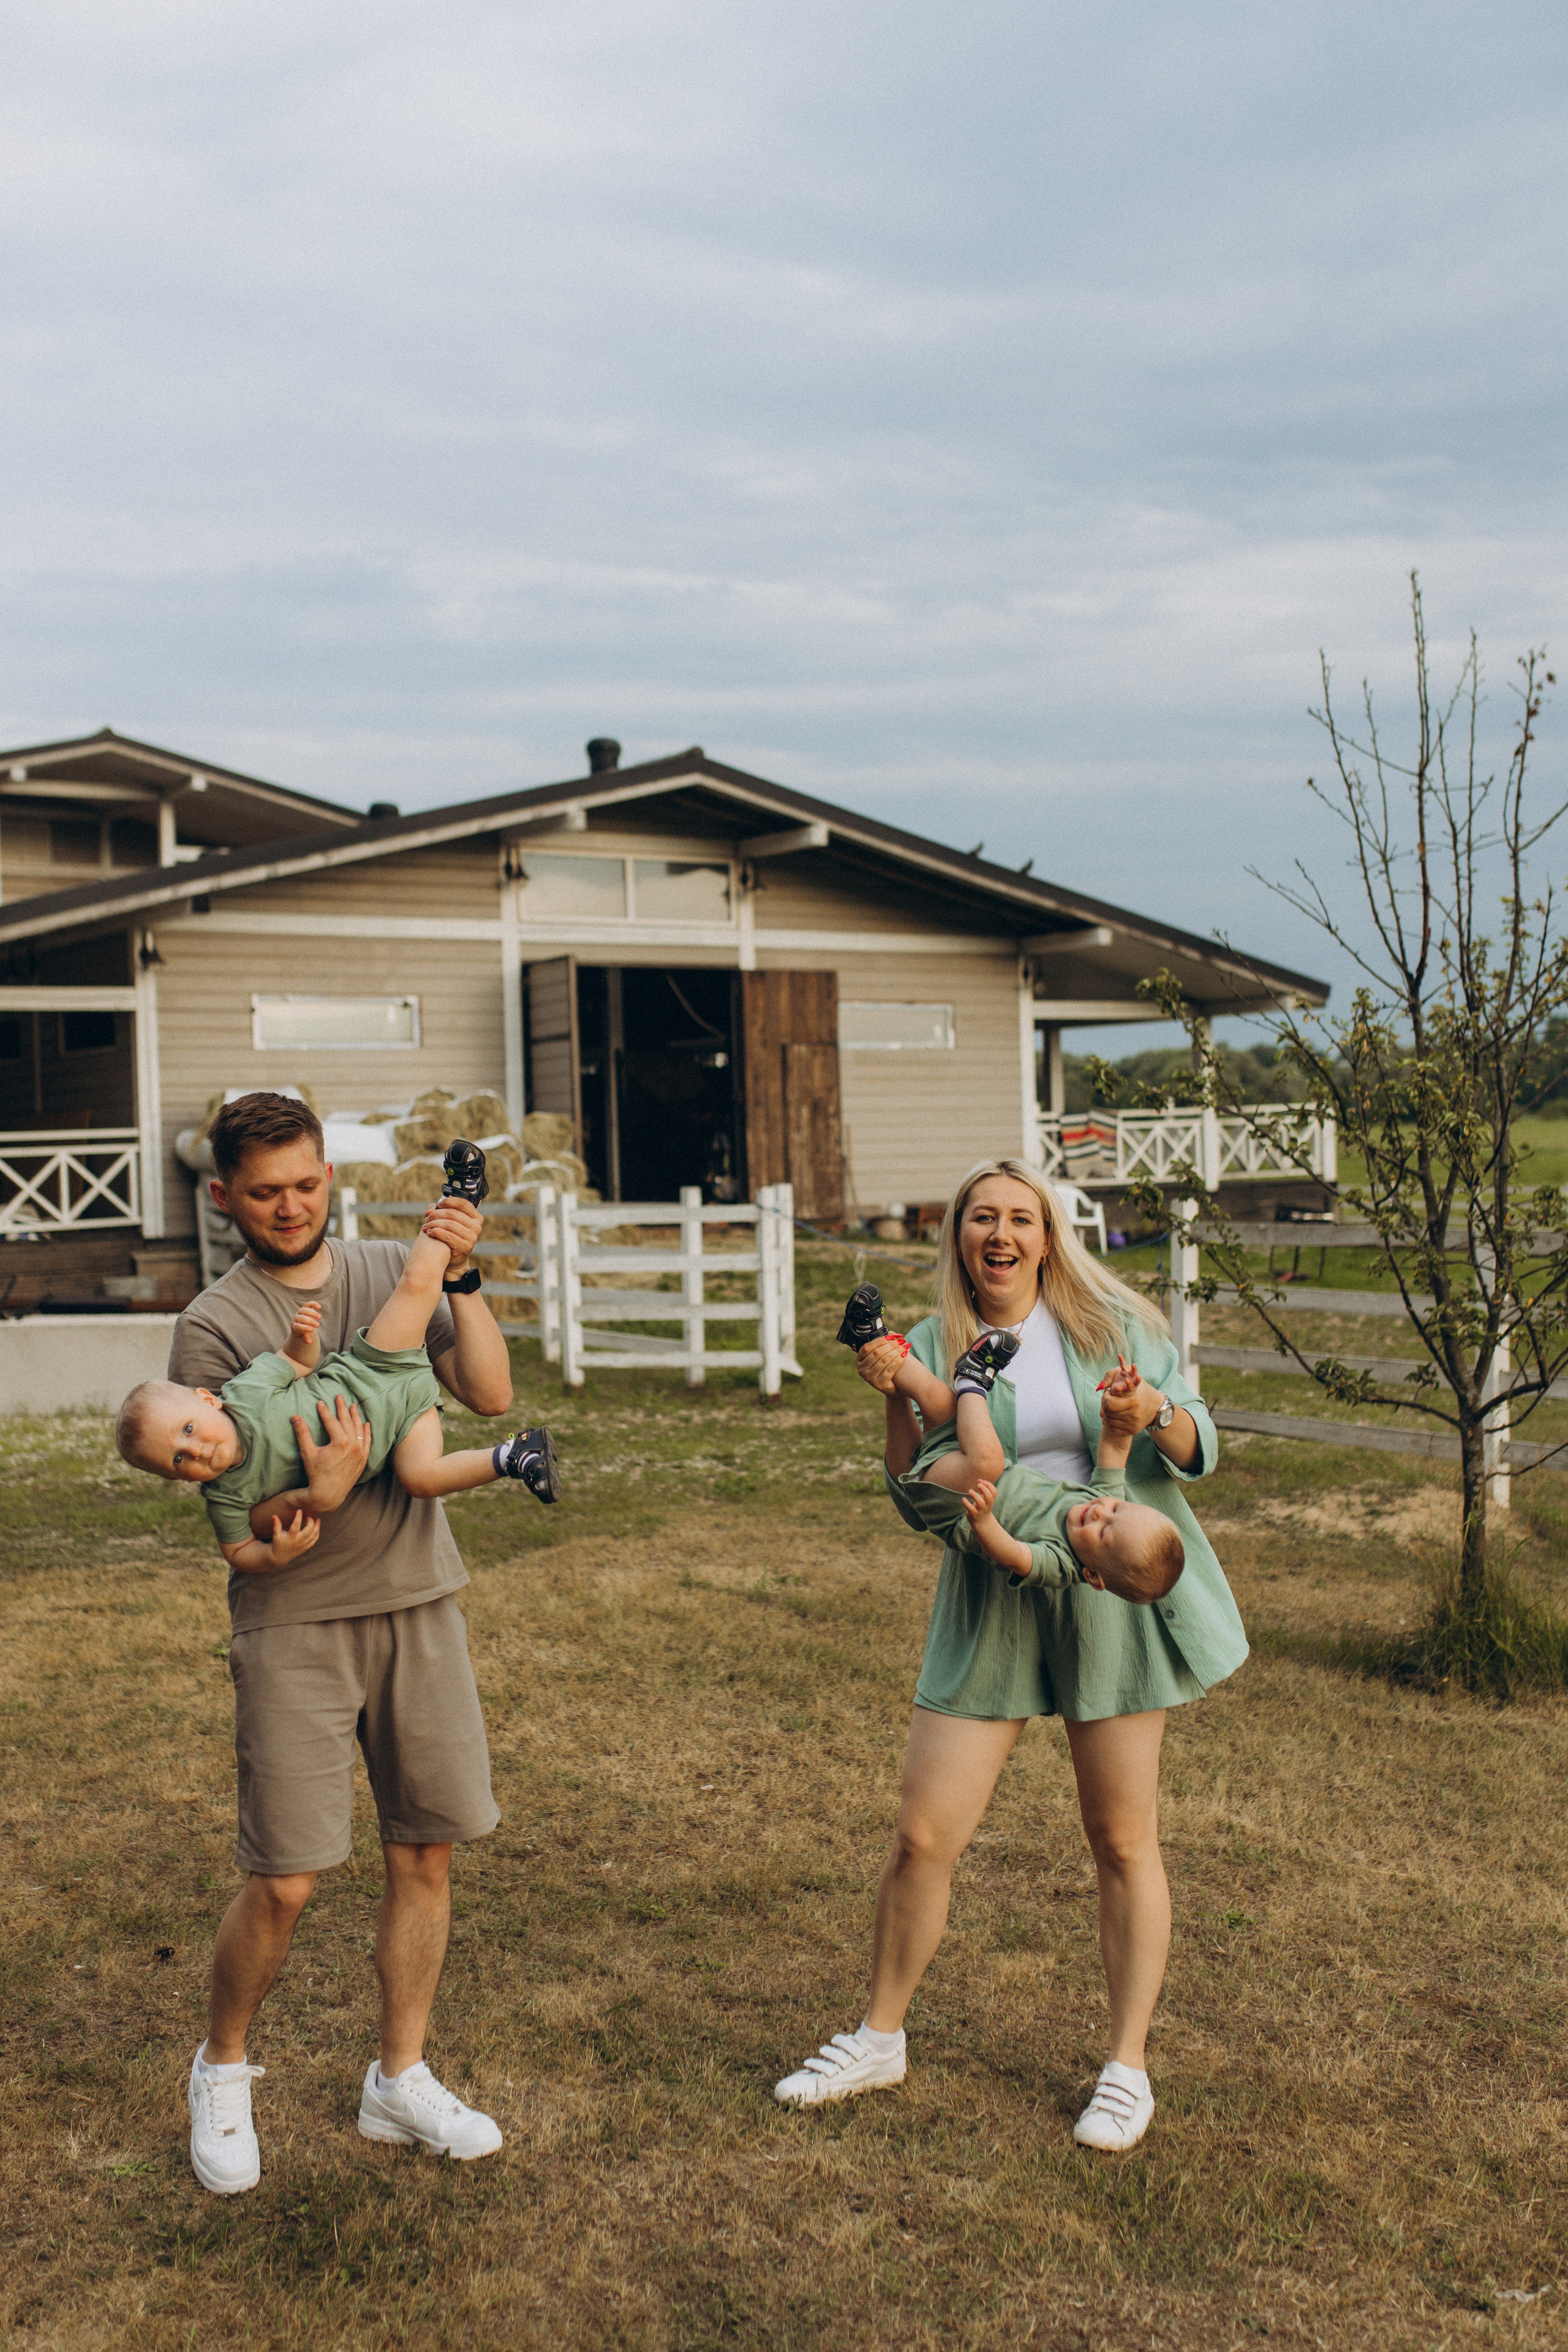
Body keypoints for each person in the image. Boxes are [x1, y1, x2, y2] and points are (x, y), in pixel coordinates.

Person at [775, 1158, 1247, 2152]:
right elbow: (911, 1484)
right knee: (921, 1833)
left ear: (1047, 1235)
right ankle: (878, 2037)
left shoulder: (1109, 1328)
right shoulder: (938, 1339)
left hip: (1107, 1597)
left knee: (1122, 1839)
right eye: (981, 1217)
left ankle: (1126, 2068)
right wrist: (892, 1394)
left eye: (1019, 1218)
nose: (1000, 1234)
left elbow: (1202, 1443)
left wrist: (1146, 1411)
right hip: (990, 1589)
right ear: (958, 1235)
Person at [167, 1091, 519, 2195]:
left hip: (418, 1596)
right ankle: (221, 2070)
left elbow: (492, 1390)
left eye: (306, 1184)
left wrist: (460, 1274)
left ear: (331, 1177)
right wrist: (309, 1491)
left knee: (426, 1850)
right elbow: (240, 1503)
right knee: (285, 1879)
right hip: (296, 1621)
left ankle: (398, 2078)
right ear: (226, 1196)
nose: (289, 1207)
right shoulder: (213, 1327)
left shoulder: (388, 1269)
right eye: (264, 1192)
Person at [118, 1167, 558, 1570]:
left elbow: (294, 1363)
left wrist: (300, 1336)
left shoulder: (244, 1394)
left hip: (376, 1367)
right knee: (422, 1478)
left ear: (207, 1398)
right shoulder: (226, 1496)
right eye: (178, 1461)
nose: (194, 1453)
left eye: (189, 1432)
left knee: (416, 1284)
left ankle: (454, 1201)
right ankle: (517, 1455)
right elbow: (237, 1552)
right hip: (402, 1421)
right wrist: (274, 1553)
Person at [877, 1330, 1185, 1604]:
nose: (1101, 1513)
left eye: (1104, 1533)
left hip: (952, 1507)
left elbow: (1015, 1556)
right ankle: (874, 1339)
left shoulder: (1061, 1564)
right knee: (938, 1400)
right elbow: (1116, 1447)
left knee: (989, 1461)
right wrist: (1121, 1397)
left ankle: (973, 1380)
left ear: (1092, 1575)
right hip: (964, 1471)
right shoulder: (1102, 1499)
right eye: (1117, 1510)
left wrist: (984, 1522)